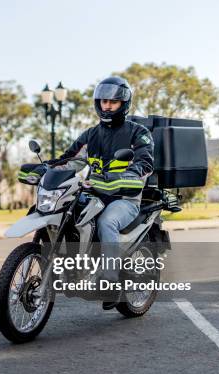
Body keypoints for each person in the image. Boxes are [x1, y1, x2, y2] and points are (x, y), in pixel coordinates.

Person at [49, 76, 154, 309]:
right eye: (103, 101)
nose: (107, 106)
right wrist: (45, 167)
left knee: (107, 222)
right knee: (66, 212)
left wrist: (123, 178)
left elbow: (144, 164)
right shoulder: (91, 134)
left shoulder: (138, 133)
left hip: (124, 198)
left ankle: (111, 283)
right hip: (94, 194)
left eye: (112, 102)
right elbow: (69, 159)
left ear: (123, 104)